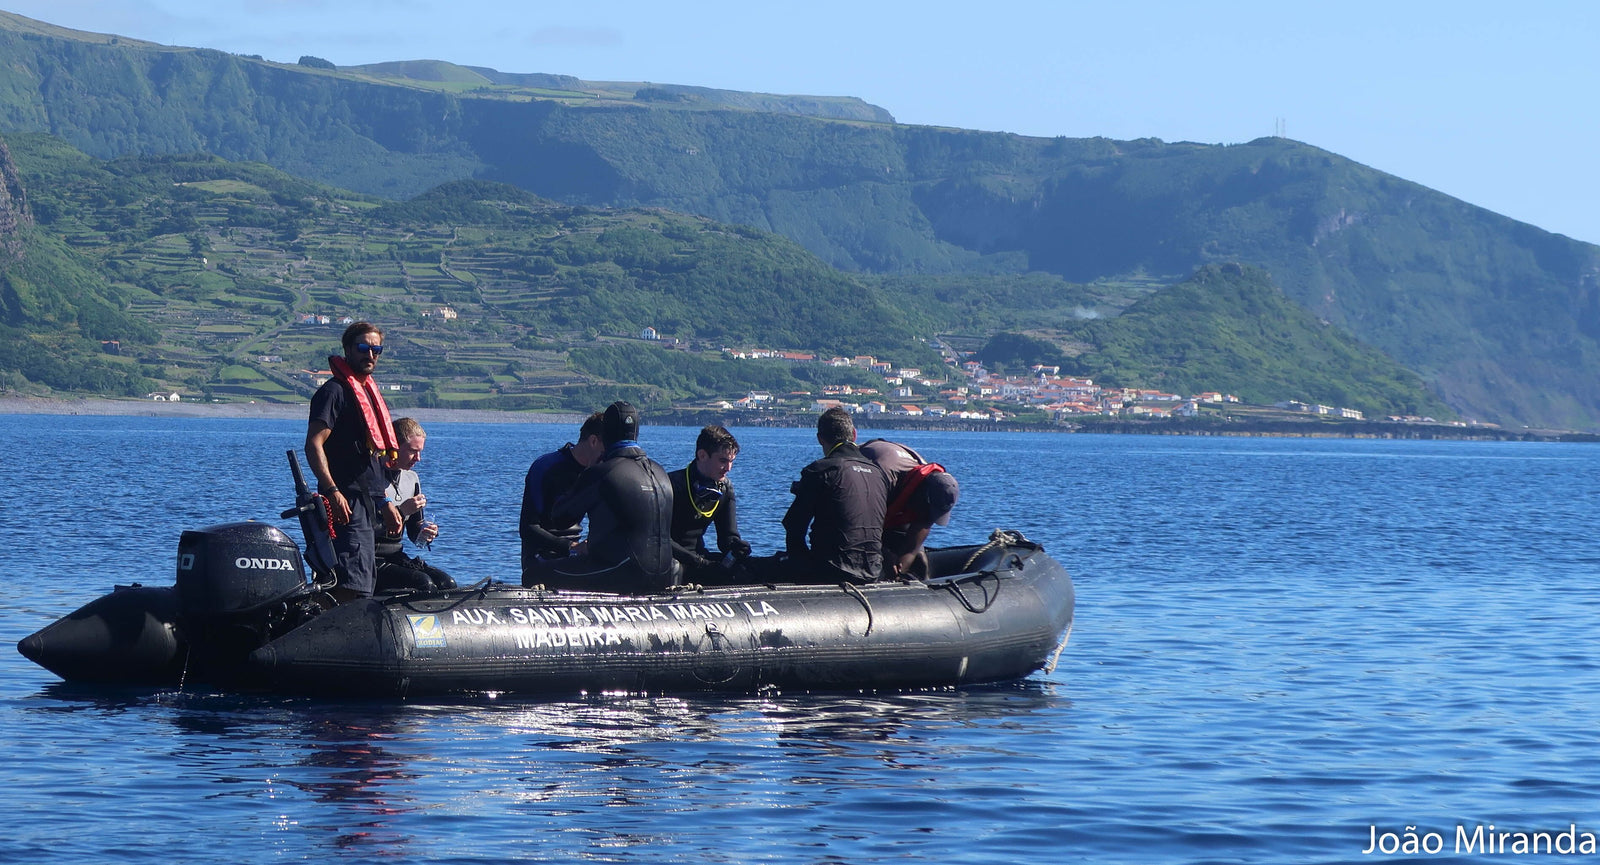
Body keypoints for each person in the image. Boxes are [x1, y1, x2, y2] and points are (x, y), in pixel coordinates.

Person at [523, 401, 677, 593]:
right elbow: (531, 527)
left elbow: (562, 517)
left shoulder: (602, 472)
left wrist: (591, 474)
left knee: (534, 575)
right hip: (663, 573)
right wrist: (571, 546)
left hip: (616, 568)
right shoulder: (659, 471)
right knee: (534, 570)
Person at [305, 321, 403, 602]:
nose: (370, 355)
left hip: (368, 501)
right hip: (344, 501)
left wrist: (384, 503)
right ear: (348, 349)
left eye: (376, 349)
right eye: (363, 348)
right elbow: (313, 444)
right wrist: (332, 491)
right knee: (349, 583)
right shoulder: (334, 392)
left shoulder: (368, 394)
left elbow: (368, 463)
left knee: (364, 580)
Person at [779, 406, 890, 584]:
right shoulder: (878, 473)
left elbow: (794, 526)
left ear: (820, 439)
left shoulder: (821, 470)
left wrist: (800, 566)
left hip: (831, 570)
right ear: (854, 435)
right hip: (874, 571)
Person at [519, 411, 605, 583]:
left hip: (576, 554)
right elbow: (527, 529)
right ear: (593, 441)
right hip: (541, 557)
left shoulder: (599, 472)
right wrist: (571, 547)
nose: (608, 457)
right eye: (605, 450)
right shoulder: (546, 467)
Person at [374, 418, 456, 592]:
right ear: (394, 448)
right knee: (423, 584)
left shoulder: (412, 479)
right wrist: (402, 511)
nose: (418, 459)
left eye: (420, 452)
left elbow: (413, 532)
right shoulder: (371, 478)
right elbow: (365, 529)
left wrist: (424, 531)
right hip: (371, 559)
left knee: (447, 584)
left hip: (396, 556)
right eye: (412, 451)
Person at [860, 439, 960, 580]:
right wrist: (885, 555)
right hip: (861, 496)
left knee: (920, 561)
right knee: (875, 559)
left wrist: (899, 571)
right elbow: (860, 526)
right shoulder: (884, 478)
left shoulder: (929, 489)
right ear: (922, 497)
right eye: (928, 511)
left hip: (893, 500)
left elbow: (912, 547)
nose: (927, 517)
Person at [668, 425, 752, 582]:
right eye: (722, 461)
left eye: (731, 462)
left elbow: (727, 539)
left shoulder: (725, 488)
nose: (728, 468)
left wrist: (737, 548)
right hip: (670, 560)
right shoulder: (671, 485)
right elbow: (659, 539)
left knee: (749, 568)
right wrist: (700, 563)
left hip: (700, 558)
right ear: (702, 455)